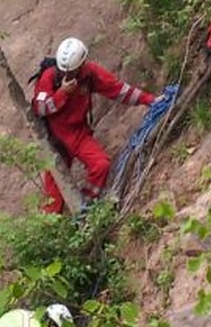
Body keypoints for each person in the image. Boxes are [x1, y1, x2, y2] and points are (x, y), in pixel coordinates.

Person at [30, 37, 157, 214]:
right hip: (56, 140)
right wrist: (62, 94)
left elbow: (119, 90)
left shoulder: (89, 74)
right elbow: (40, 108)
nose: (67, 76)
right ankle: (51, 229)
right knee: (52, 198)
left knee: (101, 165)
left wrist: (151, 101)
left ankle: (86, 208)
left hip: (78, 133)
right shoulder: (49, 77)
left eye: (72, 72)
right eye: (63, 71)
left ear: (81, 66)